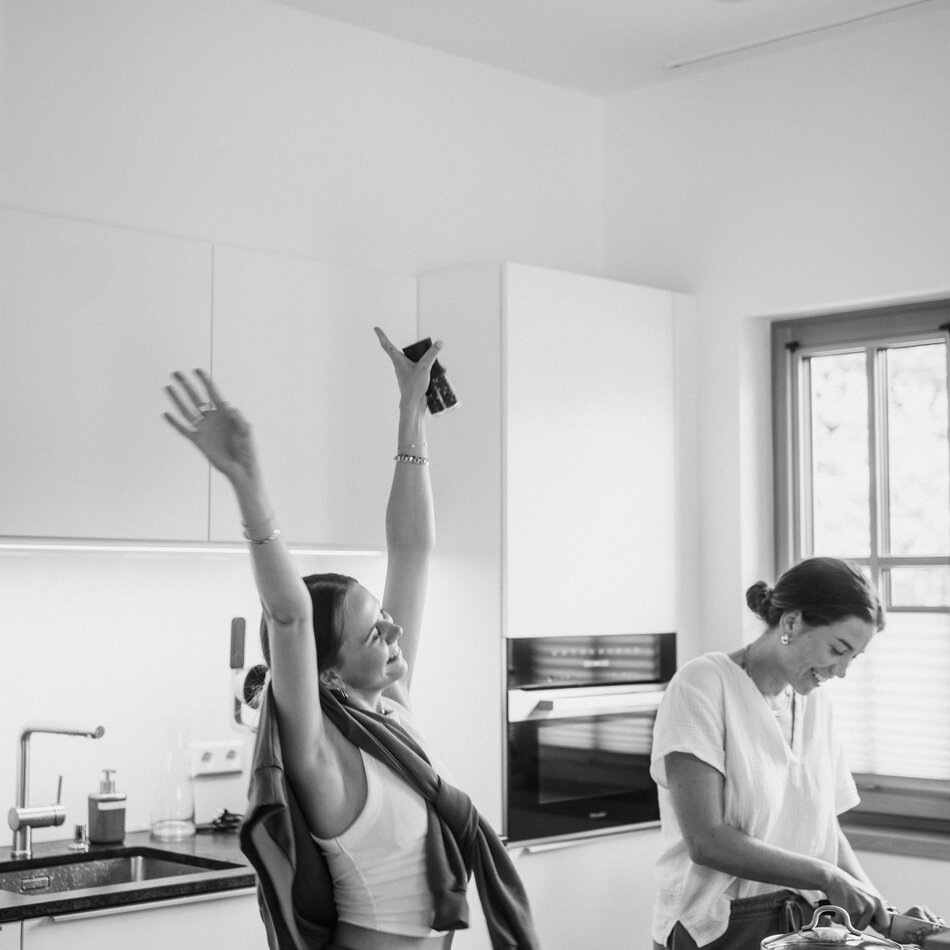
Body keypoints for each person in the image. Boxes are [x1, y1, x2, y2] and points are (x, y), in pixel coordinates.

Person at [163, 329, 538, 950]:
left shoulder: (392, 711)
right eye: (372, 632)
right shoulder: (322, 753)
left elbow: (412, 549)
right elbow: (289, 618)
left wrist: (410, 412)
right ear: (328, 672)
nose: (393, 628)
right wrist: (248, 484)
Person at [650, 556, 890, 950]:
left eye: (854, 657)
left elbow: (823, 830)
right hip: (716, 929)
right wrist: (827, 877)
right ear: (792, 623)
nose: (842, 671)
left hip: (802, 926)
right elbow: (706, 840)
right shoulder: (703, 685)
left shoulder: (816, 705)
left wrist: (884, 911)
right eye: (838, 648)